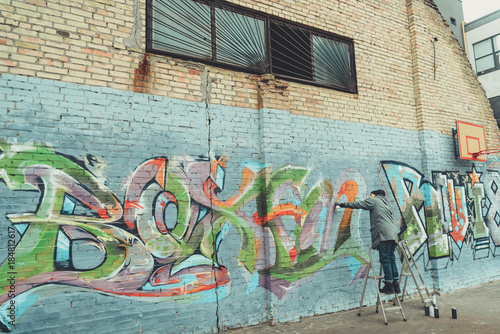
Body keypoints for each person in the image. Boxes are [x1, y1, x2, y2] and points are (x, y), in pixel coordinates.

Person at [336, 189, 400, 294]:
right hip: (393, 234)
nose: (369, 197)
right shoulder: (385, 205)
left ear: (375, 195)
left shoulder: (374, 200)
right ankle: (395, 284)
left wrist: (342, 205)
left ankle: (389, 285)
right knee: (391, 258)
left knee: (385, 259)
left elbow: (359, 204)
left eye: (370, 195)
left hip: (384, 234)